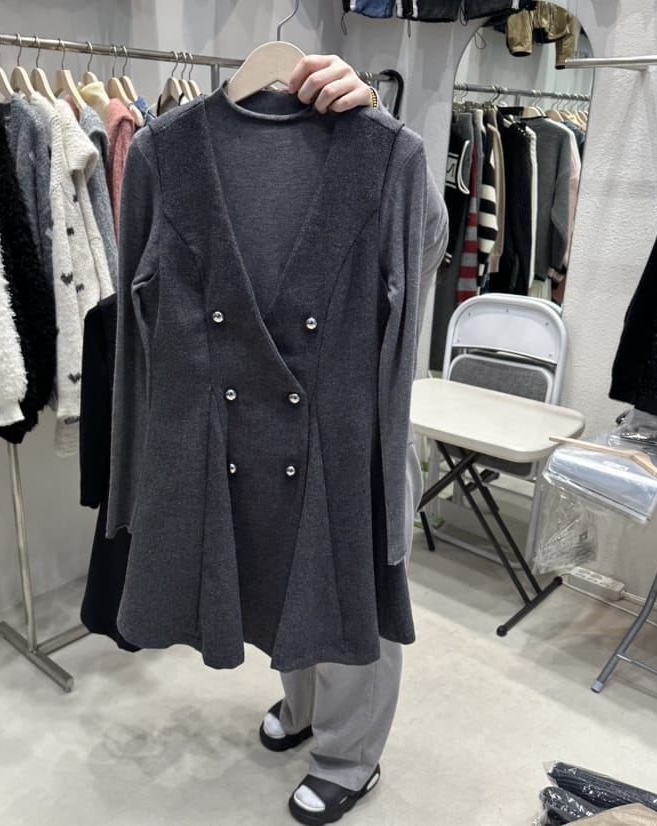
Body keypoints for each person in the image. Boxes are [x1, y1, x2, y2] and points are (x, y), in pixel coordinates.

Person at [254, 55, 445, 826]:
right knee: (283, 580)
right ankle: (304, 708)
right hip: (269, 421)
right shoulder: (223, 163)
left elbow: (425, 245)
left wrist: (377, 125)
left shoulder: (380, 155)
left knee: (354, 595)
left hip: (359, 426)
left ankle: (349, 759)